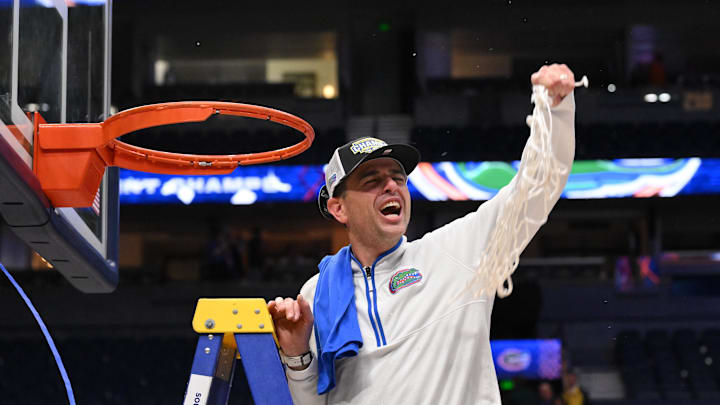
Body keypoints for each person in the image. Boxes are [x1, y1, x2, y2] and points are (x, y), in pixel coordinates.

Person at [268, 64, 577, 404]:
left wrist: (555, 108)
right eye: (372, 181)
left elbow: (537, 189)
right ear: (339, 208)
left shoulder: (456, 251)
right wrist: (296, 356)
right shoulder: (314, 295)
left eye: (398, 178)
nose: (391, 186)